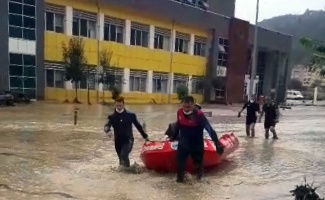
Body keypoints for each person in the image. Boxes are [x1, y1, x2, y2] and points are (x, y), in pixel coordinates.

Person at [170, 96, 224, 183]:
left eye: (188, 107)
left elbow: (209, 129)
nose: (186, 109)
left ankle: (199, 186)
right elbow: (178, 126)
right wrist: (174, 136)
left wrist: (217, 143)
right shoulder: (179, 112)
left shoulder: (199, 115)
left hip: (197, 143)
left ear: (193, 105)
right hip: (183, 142)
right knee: (180, 166)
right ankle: (180, 186)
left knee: (198, 167)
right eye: (184, 106)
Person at [104, 97, 149, 167]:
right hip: (117, 142)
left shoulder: (131, 115)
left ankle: (127, 172)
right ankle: (126, 174)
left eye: (120, 105)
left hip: (128, 140)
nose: (119, 107)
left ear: (124, 105)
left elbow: (139, 127)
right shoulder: (112, 117)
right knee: (121, 161)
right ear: (115, 105)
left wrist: (145, 137)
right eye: (117, 105)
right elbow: (106, 126)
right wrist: (108, 130)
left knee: (123, 155)